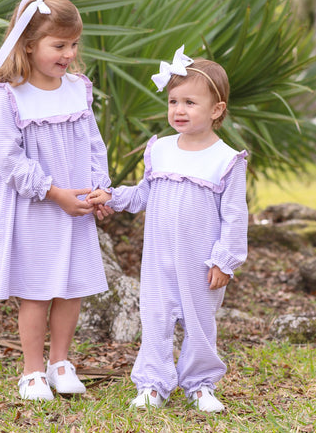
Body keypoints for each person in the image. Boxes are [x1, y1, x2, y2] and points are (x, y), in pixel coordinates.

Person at [88, 46, 248, 413]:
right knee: (156, 317)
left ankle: (200, 383)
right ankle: (153, 383)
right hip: (159, 257)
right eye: (173, 101)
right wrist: (112, 198)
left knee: (200, 321)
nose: (178, 110)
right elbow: (146, 192)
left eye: (190, 102)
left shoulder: (226, 159)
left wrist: (226, 260)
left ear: (217, 109)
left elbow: (236, 215)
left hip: (201, 260)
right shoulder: (159, 149)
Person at [0, 0, 110, 401]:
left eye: (74, 44)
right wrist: (55, 193)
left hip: (75, 207)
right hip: (37, 208)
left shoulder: (78, 89)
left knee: (70, 287)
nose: (69, 54)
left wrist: (98, 188)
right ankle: (32, 371)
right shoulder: (8, 96)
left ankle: (60, 362)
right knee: (36, 290)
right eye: (59, 45)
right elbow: (9, 160)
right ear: (29, 44)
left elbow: (93, 143)